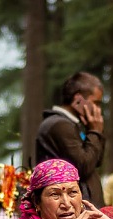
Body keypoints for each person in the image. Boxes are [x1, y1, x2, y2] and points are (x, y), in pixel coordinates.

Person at [35, 72, 106, 207]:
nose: (98, 109)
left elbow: (96, 161)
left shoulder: (72, 125)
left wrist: (95, 131)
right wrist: (95, 131)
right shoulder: (60, 125)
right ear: (78, 99)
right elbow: (83, 166)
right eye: (95, 102)